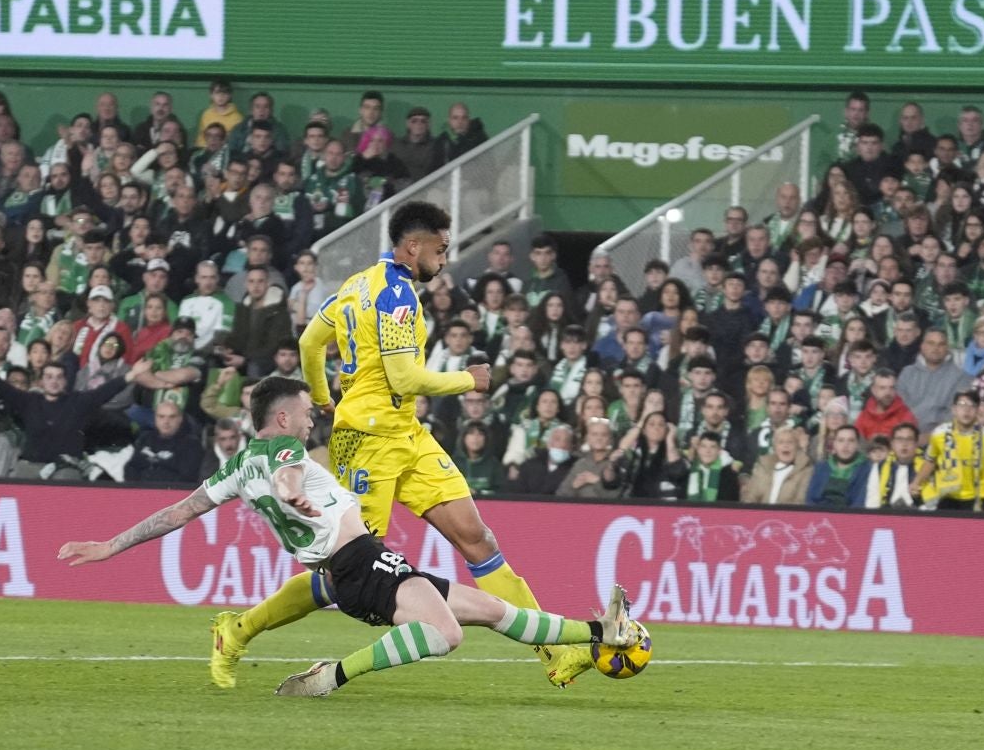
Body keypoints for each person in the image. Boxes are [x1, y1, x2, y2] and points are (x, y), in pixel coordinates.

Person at [56, 375, 647, 696]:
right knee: (445, 633)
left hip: (357, 563)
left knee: (490, 609)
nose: (315, 417)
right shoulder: (282, 449)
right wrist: (291, 487)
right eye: (306, 411)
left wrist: (110, 545)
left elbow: (179, 513)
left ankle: (601, 633)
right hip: (359, 565)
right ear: (282, 418)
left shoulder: (235, 468)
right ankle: (329, 678)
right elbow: (288, 467)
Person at [216, 201, 595, 689]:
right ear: (413, 246)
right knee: (345, 570)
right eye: (441, 248)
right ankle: (239, 629)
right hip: (370, 441)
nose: (445, 256)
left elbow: (311, 342)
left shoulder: (355, 285)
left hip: (406, 433)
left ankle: (555, 652)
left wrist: (324, 397)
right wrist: (469, 380)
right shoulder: (394, 295)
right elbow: (403, 374)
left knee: (477, 538)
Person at [917, 390, 984, 511]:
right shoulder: (939, 434)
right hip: (948, 495)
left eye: (972, 406)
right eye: (962, 404)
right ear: (954, 409)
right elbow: (930, 461)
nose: (966, 410)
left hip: (978, 496)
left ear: (977, 411)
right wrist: (917, 482)